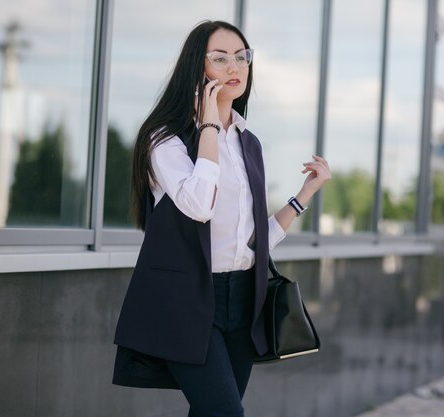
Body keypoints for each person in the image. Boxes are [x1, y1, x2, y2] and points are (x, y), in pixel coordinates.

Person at [112, 19, 331, 417]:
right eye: (220, 58)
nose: (235, 67)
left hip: (245, 298)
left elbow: (253, 239)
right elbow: (199, 205)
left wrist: (304, 196)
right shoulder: (164, 140)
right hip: (189, 301)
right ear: (199, 69)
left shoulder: (249, 141)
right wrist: (209, 123)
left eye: (242, 57)